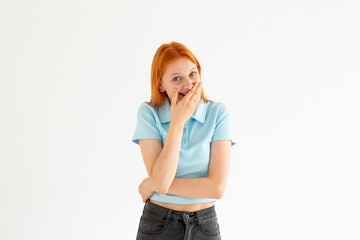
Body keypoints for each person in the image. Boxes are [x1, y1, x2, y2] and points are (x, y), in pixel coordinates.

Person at [132, 41, 236, 239]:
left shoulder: (218, 113)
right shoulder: (149, 113)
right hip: (159, 223)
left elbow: (217, 188)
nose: (188, 85)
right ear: (161, 84)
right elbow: (161, 183)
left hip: (204, 225)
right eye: (176, 78)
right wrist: (177, 123)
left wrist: (152, 183)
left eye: (192, 74)